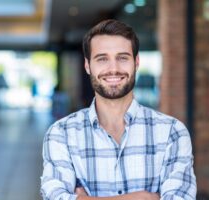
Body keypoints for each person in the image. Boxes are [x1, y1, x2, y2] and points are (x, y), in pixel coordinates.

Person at [41, 19, 196, 200]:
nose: (113, 69)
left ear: (136, 62)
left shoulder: (172, 132)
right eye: (102, 59)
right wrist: (144, 197)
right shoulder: (61, 134)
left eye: (122, 58)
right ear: (87, 66)